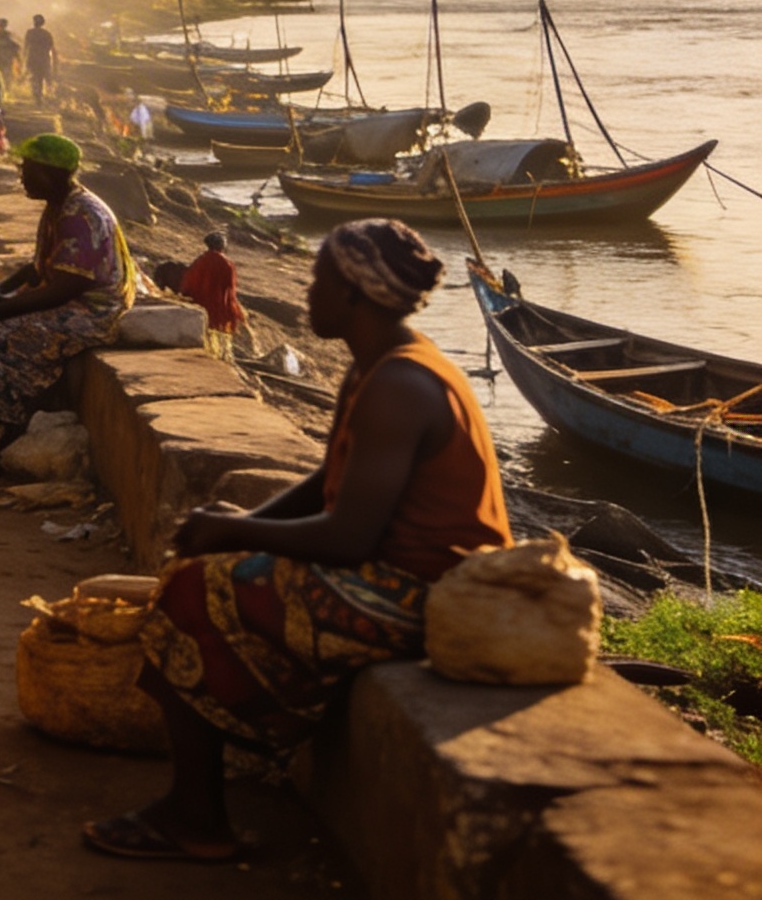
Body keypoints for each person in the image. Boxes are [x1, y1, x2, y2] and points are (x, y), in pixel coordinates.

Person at [85, 219, 510, 864]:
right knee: (207, 568)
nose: (307, 293)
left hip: (426, 594)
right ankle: (222, 769)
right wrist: (232, 528)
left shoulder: (400, 385)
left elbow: (348, 535)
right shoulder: (375, 368)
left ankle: (196, 816)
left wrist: (233, 530)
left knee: (195, 591)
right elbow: (324, 484)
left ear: (355, 296)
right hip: (396, 574)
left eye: (319, 281)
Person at [0, 135, 135, 480]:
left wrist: (7, 309)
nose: (21, 177)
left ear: (51, 174)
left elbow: (67, 286)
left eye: (28, 170)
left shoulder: (80, 215)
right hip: (72, 300)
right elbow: (41, 267)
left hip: (94, 312)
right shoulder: (59, 206)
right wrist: (2, 291)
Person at [178, 229, 247, 360]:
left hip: (200, 301)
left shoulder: (200, 261)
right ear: (221, 245)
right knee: (218, 330)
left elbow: (188, 281)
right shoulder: (227, 263)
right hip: (218, 303)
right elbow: (230, 288)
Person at [23, 14, 58, 102]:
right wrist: (54, 63)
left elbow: (26, 47)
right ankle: (43, 96)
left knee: (34, 77)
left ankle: (37, 96)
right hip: (44, 59)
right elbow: (51, 48)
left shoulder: (30, 32)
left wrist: (24, 58)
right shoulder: (47, 34)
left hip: (33, 58)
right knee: (42, 78)